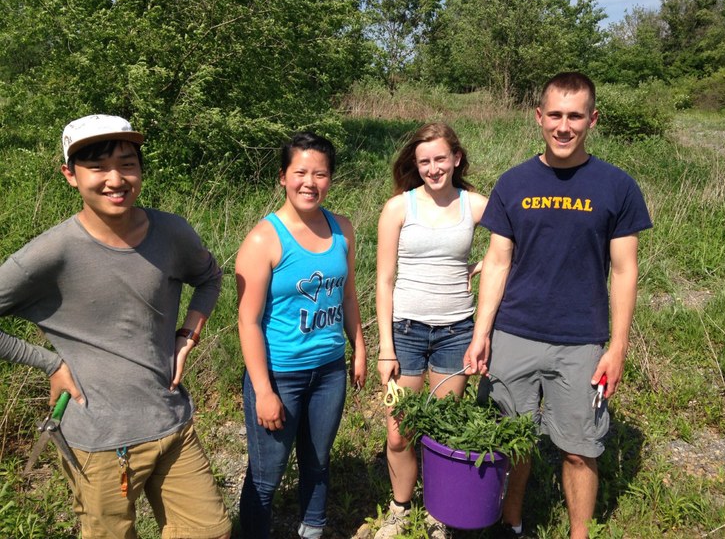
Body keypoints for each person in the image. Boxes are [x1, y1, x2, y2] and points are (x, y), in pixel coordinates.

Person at [0, 114, 231, 539]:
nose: (115, 179)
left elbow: (210, 277)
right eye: (97, 167)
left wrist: (188, 334)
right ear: (70, 175)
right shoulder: (53, 252)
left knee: (210, 530)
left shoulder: (171, 231)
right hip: (101, 442)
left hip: (174, 422)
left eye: (127, 163)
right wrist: (47, 363)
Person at [464, 72, 652, 538]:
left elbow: (625, 271)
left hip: (581, 340)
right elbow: (497, 261)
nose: (563, 126)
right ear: (538, 117)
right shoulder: (513, 182)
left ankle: (579, 533)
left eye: (574, 116)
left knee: (578, 448)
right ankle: (511, 522)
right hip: (514, 334)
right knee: (512, 441)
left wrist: (618, 346)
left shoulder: (617, 186)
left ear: (592, 119)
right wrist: (482, 332)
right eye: (555, 115)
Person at [236, 132, 367, 539]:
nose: (310, 182)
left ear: (330, 179)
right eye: (300, 173)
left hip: (329, 371)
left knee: (318, 460)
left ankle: (312, 530)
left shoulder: (342, 229)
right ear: (283, 177)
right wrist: (264, 391)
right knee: (266, 474)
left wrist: (359, 347)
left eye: (320, 174)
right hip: (281, 375)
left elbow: (347, 295)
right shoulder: (264, 239)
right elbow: (248, 320)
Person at [374, 123, 488, 539]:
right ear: (415, 164)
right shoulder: (399, 208)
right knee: (399, 430)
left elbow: (517, 241)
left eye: (441, 159)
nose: (433, 168)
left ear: (456, 158)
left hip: (457, 330)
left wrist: (485, 265)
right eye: (424, 161)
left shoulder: (474, 204)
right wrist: (385, 346)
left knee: (443, 428)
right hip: (405, 331)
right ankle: (399, 508)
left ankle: (440, 510)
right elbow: (384, 278)